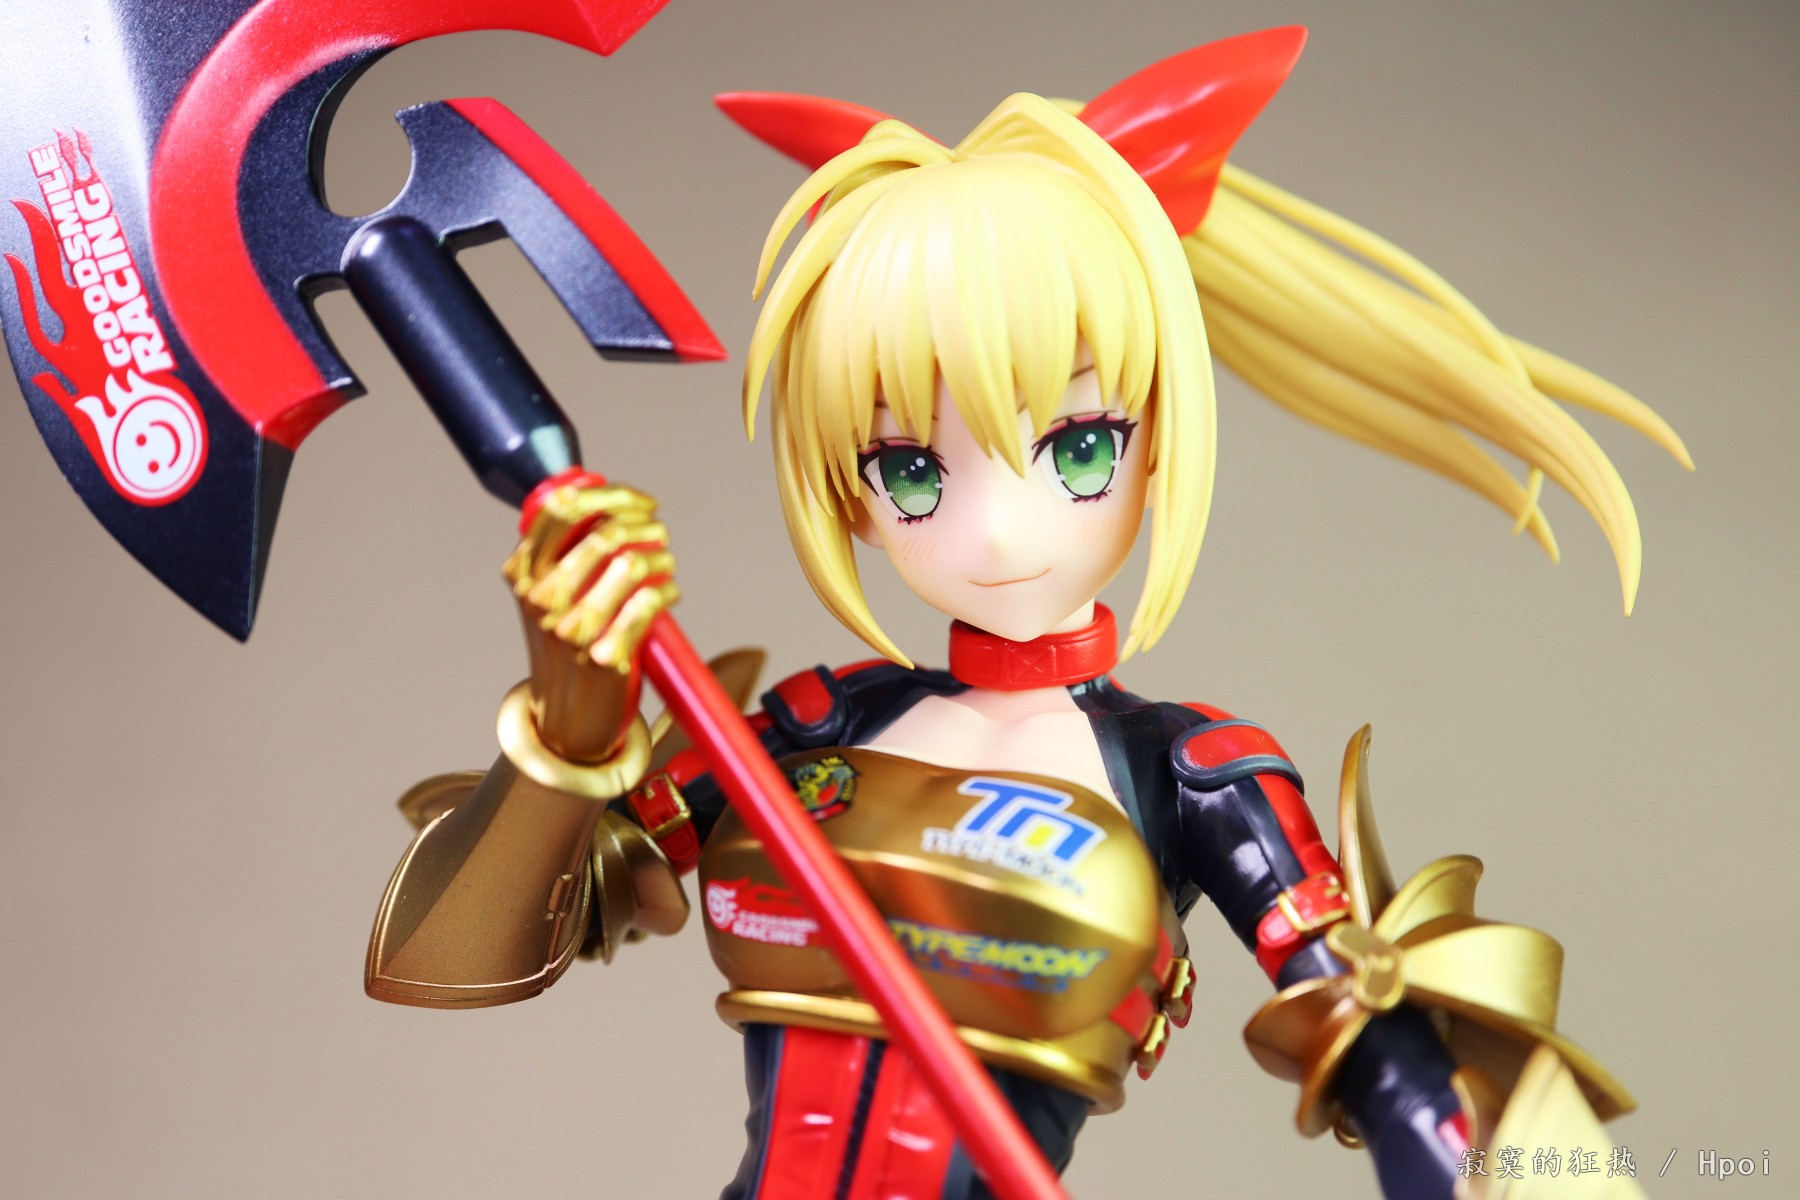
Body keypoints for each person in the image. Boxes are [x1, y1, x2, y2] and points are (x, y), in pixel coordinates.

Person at [368, 28, 1681, 1200]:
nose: (996, 531)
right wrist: (571, 730)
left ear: (1161, 442)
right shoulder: (809, 730)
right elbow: (447, 962)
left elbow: (1386, 1044)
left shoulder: (1196, 777)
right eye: (912, 470)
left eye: (1079, 448)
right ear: (850, 490)